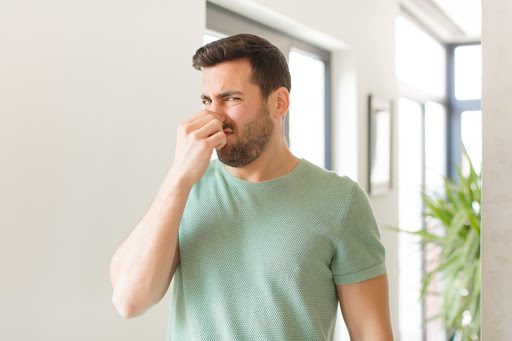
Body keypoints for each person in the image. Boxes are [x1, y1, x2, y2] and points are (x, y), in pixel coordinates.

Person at [109, 33, 393, 341]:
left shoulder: (341, 201)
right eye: (207, 100)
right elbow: (129, 301)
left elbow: (371, 333)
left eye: (231, 99)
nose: (215, 116)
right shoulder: (186, 188)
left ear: (279, 102)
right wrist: (179, 177)